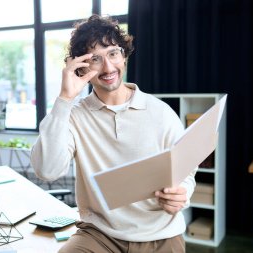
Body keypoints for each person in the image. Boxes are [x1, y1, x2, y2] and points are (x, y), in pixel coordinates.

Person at [30, 14, 197, 253]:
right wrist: (65, 99)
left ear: (124, 55)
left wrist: (183, 193)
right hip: (99, 234)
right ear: (81, 66)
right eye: (95, 59)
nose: (108, 67)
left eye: (113, 53)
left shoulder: (161, 112)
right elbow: (46, 170)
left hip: (160, 234)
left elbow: (186, 168)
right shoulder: (73, 115)